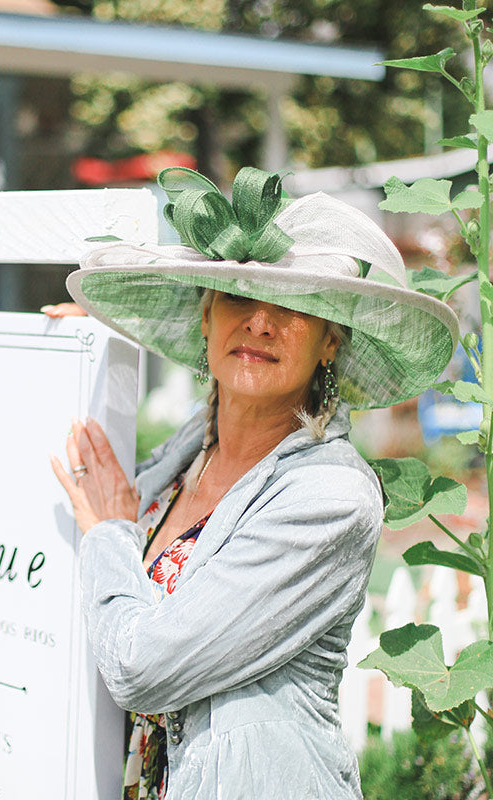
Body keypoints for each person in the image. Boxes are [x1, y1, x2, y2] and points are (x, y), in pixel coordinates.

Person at [50, 166, 459, 800]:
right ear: (207, 316)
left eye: (297, 307)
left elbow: (141, 667)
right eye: (239, 295)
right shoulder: (191, 450)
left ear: (331, 341)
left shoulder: (330, 498)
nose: (262, 322)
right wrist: (75, 351)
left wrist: (109, 532)